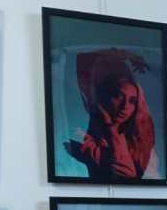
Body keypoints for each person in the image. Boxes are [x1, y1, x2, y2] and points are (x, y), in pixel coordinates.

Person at [64, 49, 160, 181]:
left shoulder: (142, 142)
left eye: (132, 101)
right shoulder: (94, 130)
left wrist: (111, 129)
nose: (125, 106)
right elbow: (84, 60)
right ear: (105, 97)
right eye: (119, 96)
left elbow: (126, 173)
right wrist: (127, 54)